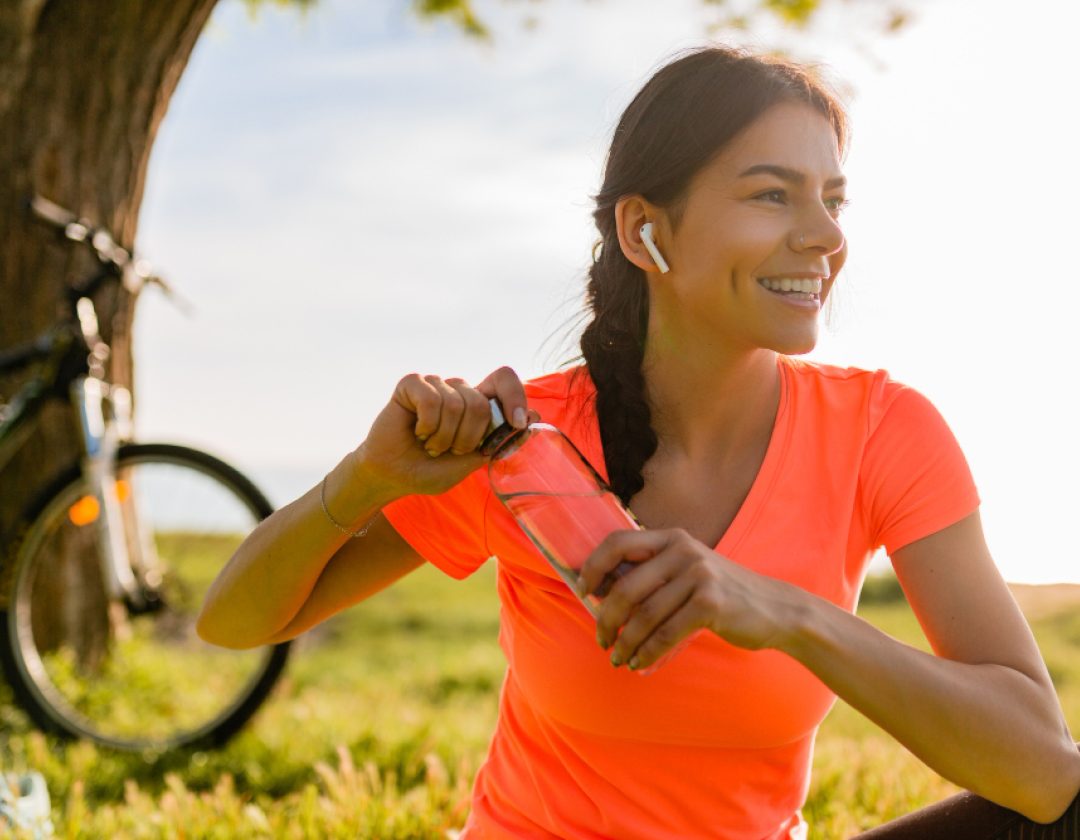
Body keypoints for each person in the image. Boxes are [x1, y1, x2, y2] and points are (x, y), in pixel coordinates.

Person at [197, 46, 1080, 839]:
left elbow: (1044, 778)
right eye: (773, 194)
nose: (826, 236)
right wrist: (368, 477)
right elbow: (234, 621)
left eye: (833, 198)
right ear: (642, 231)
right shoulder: (525, 445)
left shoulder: (883, 430)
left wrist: (788, 615)